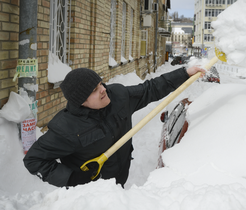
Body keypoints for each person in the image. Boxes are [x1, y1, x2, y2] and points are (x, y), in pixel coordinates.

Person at [23, 66, 206, 188]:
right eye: (94, 91)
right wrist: (71, 178)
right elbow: (33, 160)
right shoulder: (66, 128)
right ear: (81, 102)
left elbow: (150, 89)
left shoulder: (118, 96)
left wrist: (184, 73)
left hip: (118, 179)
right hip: (89, 193)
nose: (103, 89)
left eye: (99, 83)